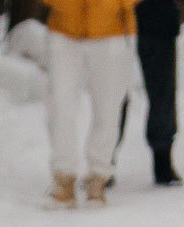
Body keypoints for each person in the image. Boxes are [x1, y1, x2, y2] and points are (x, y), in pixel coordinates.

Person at [43, 0, 138, 206]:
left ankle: (99, 175)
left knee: (108, 107)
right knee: (60, 105)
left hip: (113, 28)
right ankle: (63, 176)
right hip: (63, 26)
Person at [134, 0, 183, 186]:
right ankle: (103, 161)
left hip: (159, 17)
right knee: (112, 95)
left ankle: (162, 157)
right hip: (113, 20)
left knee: (162, 91)